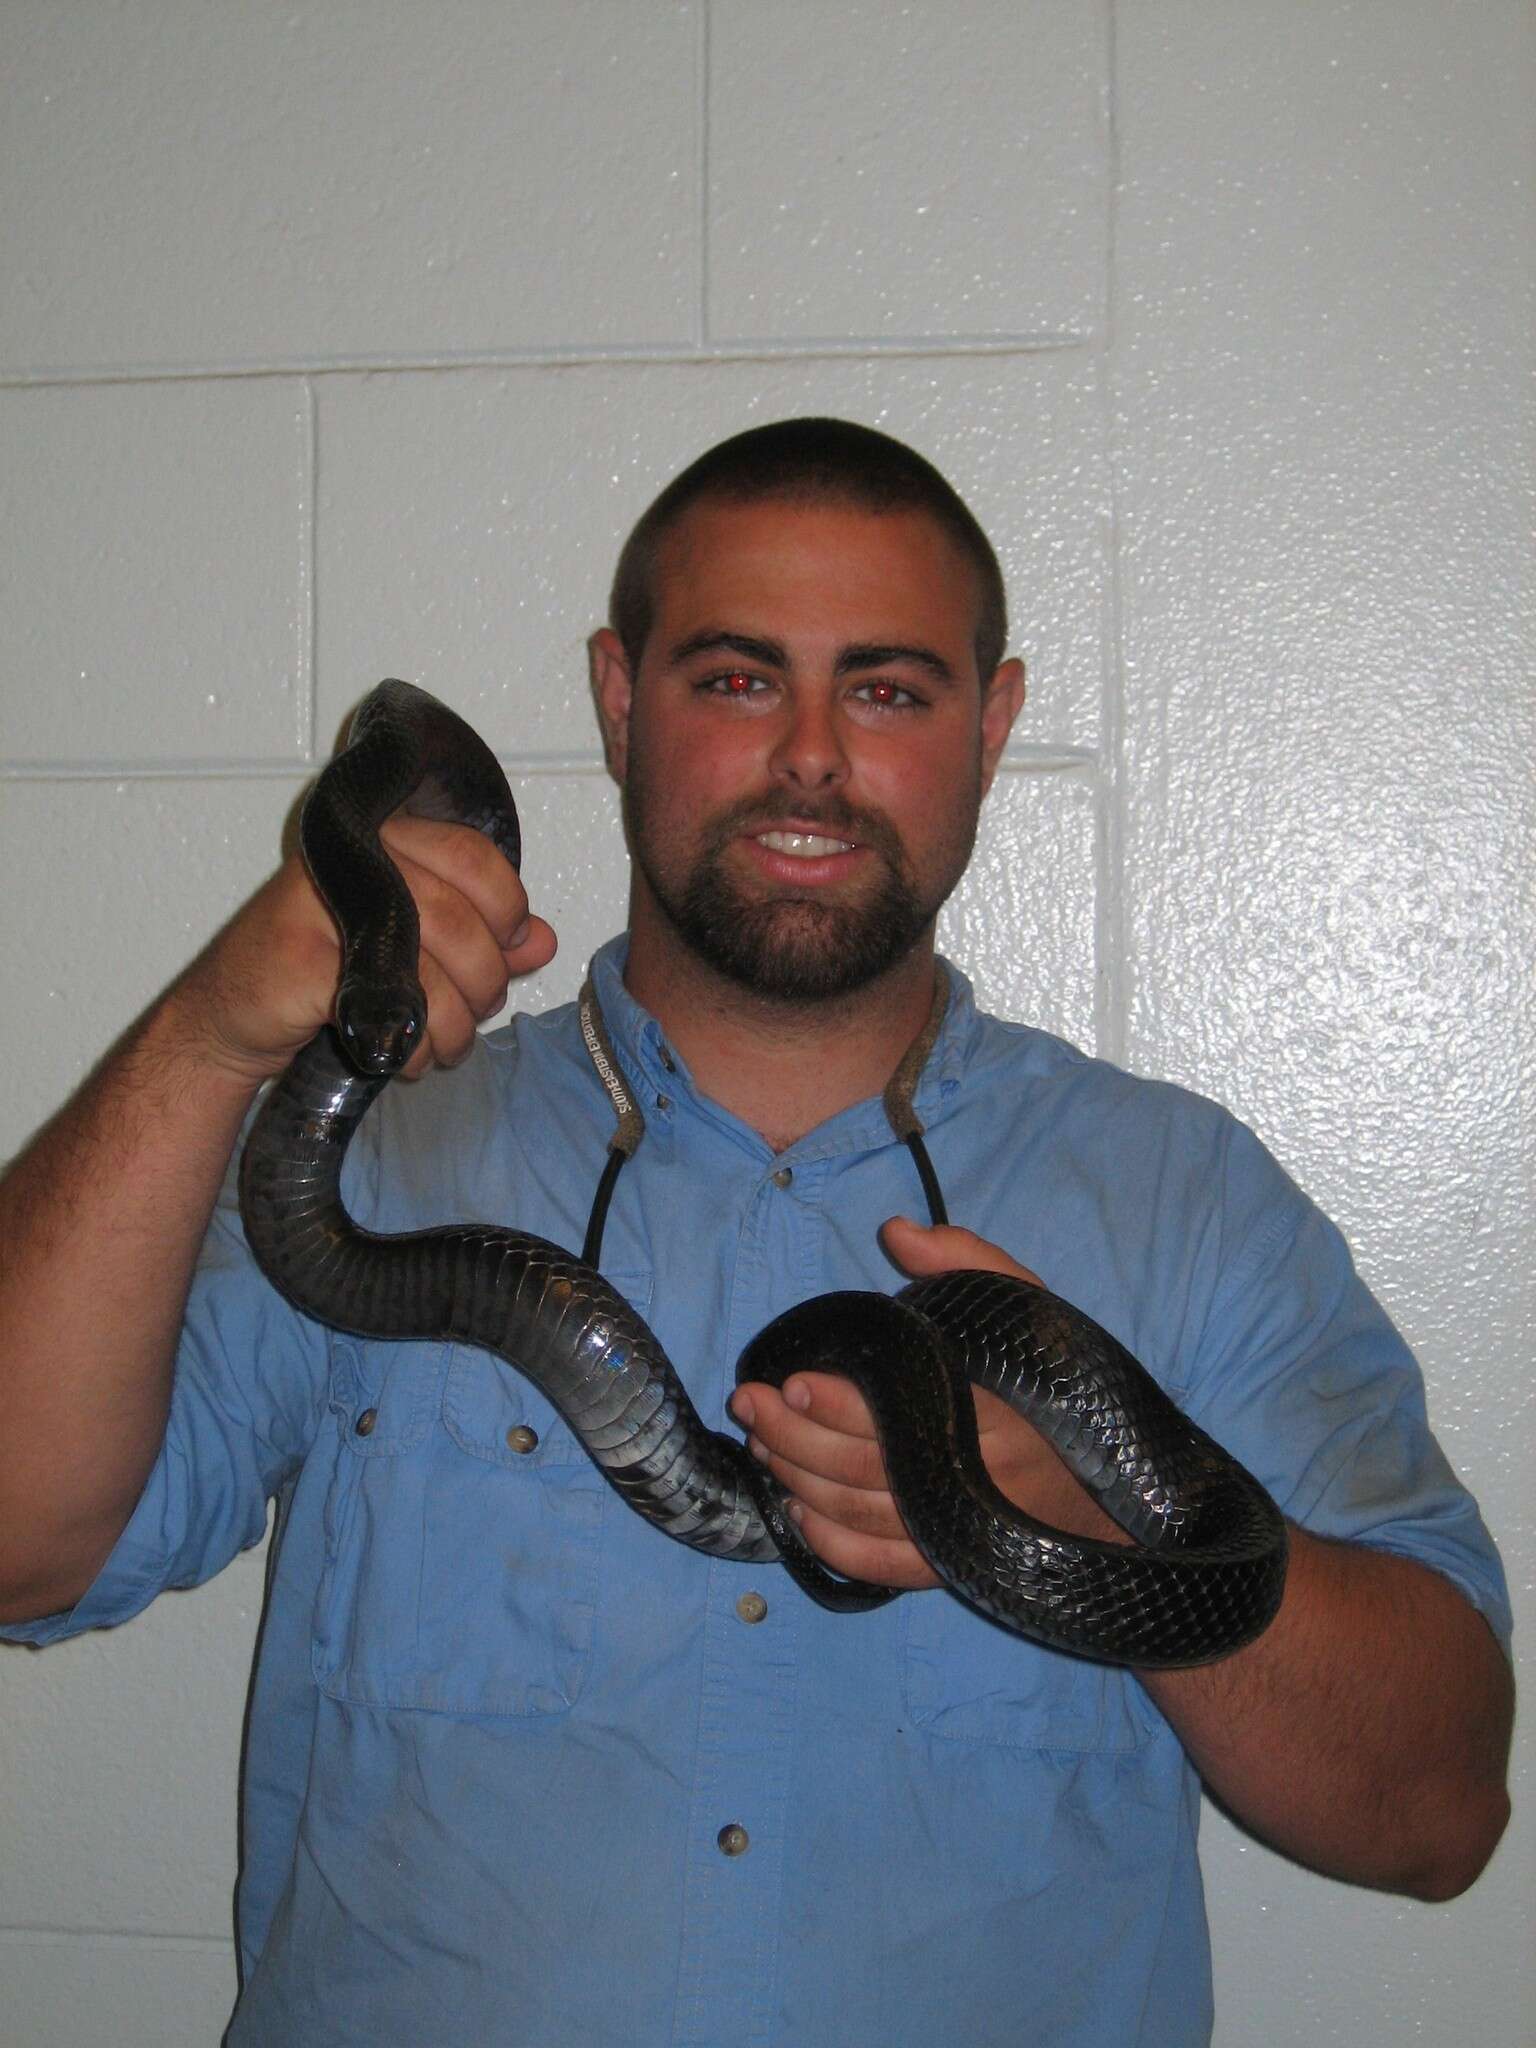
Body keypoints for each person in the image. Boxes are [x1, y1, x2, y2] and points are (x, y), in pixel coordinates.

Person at [0, 419, 1513, 2047]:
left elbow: (1432, 1817)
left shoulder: (1187, 1205)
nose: (809, 754)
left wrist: (1094, 1502)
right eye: (734, 680)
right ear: (618, 698)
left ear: (991, 727)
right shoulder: (393, 1156)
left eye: (887, 688)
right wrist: (209, 1042)